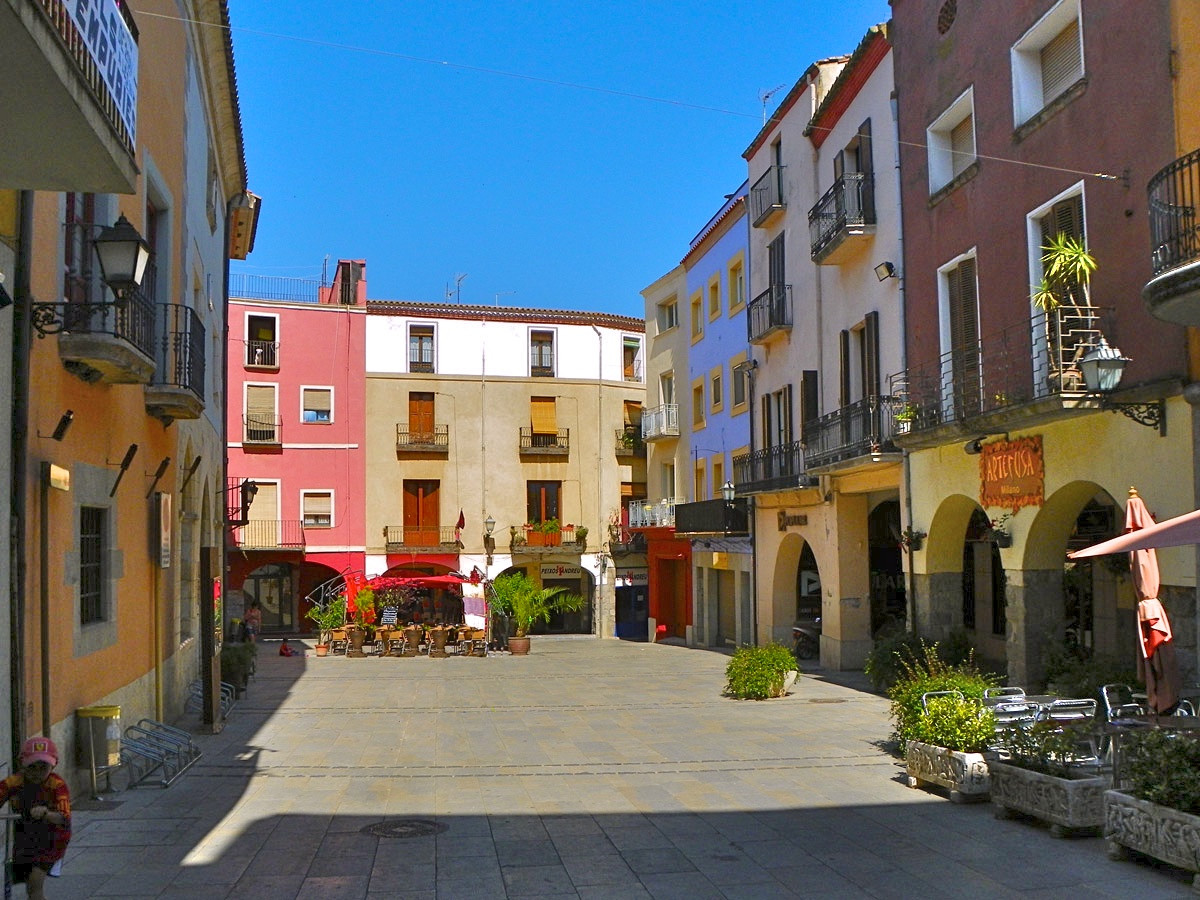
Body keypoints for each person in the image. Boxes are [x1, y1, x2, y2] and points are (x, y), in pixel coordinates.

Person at [0, 737, 71, 900]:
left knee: (34, 884)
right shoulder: (14, 782)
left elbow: (64, 817)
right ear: (22, 765)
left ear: (53, 765)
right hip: (25, 837)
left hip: (52, 839)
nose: (37, 773)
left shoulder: (57, 785)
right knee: (28, 884)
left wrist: (46, 813)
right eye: (32, 767)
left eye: (43, 768)